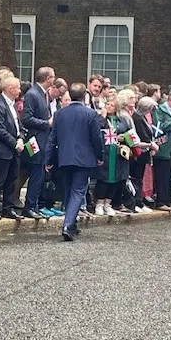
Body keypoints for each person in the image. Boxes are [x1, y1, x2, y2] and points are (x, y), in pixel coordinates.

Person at [45, 83, 103, 241]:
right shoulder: (90, 114)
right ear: (85, 95)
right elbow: (96, 138)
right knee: (78, 192)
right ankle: (68, 224)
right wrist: (100, 156)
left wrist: (48, 159)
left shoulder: (59, 114)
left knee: (70, 191)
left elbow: (52, 139)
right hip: (84, 159)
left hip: (64, 157)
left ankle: (73, 223)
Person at [0, 76, 25, 221]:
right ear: (10, 89)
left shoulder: (12, 105)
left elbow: (18, 126)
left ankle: (8, 207)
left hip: (14, 149)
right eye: (18, 88)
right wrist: (15, 143)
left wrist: (21, 138)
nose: (20, 90)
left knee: (12, 180)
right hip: (2, 150)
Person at [94, 94, 134, 217]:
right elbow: (96, 129)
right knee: (103, 179)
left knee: (116, 180)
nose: (109, 107)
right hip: (105, 153)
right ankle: (99, 204)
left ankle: (108, 204)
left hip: (117, 155)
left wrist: (124, 138)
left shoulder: (121, 121)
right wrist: (103, 116)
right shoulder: (99, 119)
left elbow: (131, 135)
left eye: (112, 105)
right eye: (108, 105)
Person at [21, 68, 53, 219]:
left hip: (42, 140)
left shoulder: (43, 94)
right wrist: (47, 123)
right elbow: (26, 118)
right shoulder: (33, 94)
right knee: (35, 175)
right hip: (35, 141)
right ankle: (29, 206)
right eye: (53, 77)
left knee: (39, 175)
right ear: (47, 78)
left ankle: (33, 205)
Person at [129, 96, 158, 214]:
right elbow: (142, 135)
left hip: (143, 153)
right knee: (136, 179)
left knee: (139, 179)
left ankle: (139, 202)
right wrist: (151, 145)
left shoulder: (140, 117)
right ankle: (136, 202)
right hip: (139, 153)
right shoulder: (138, 118)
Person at [152, 90, 171, 212]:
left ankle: (169, 200)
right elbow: (159, 128)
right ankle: (161, 201)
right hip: (164, 146)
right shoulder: (160, 110)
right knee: (163, 175)